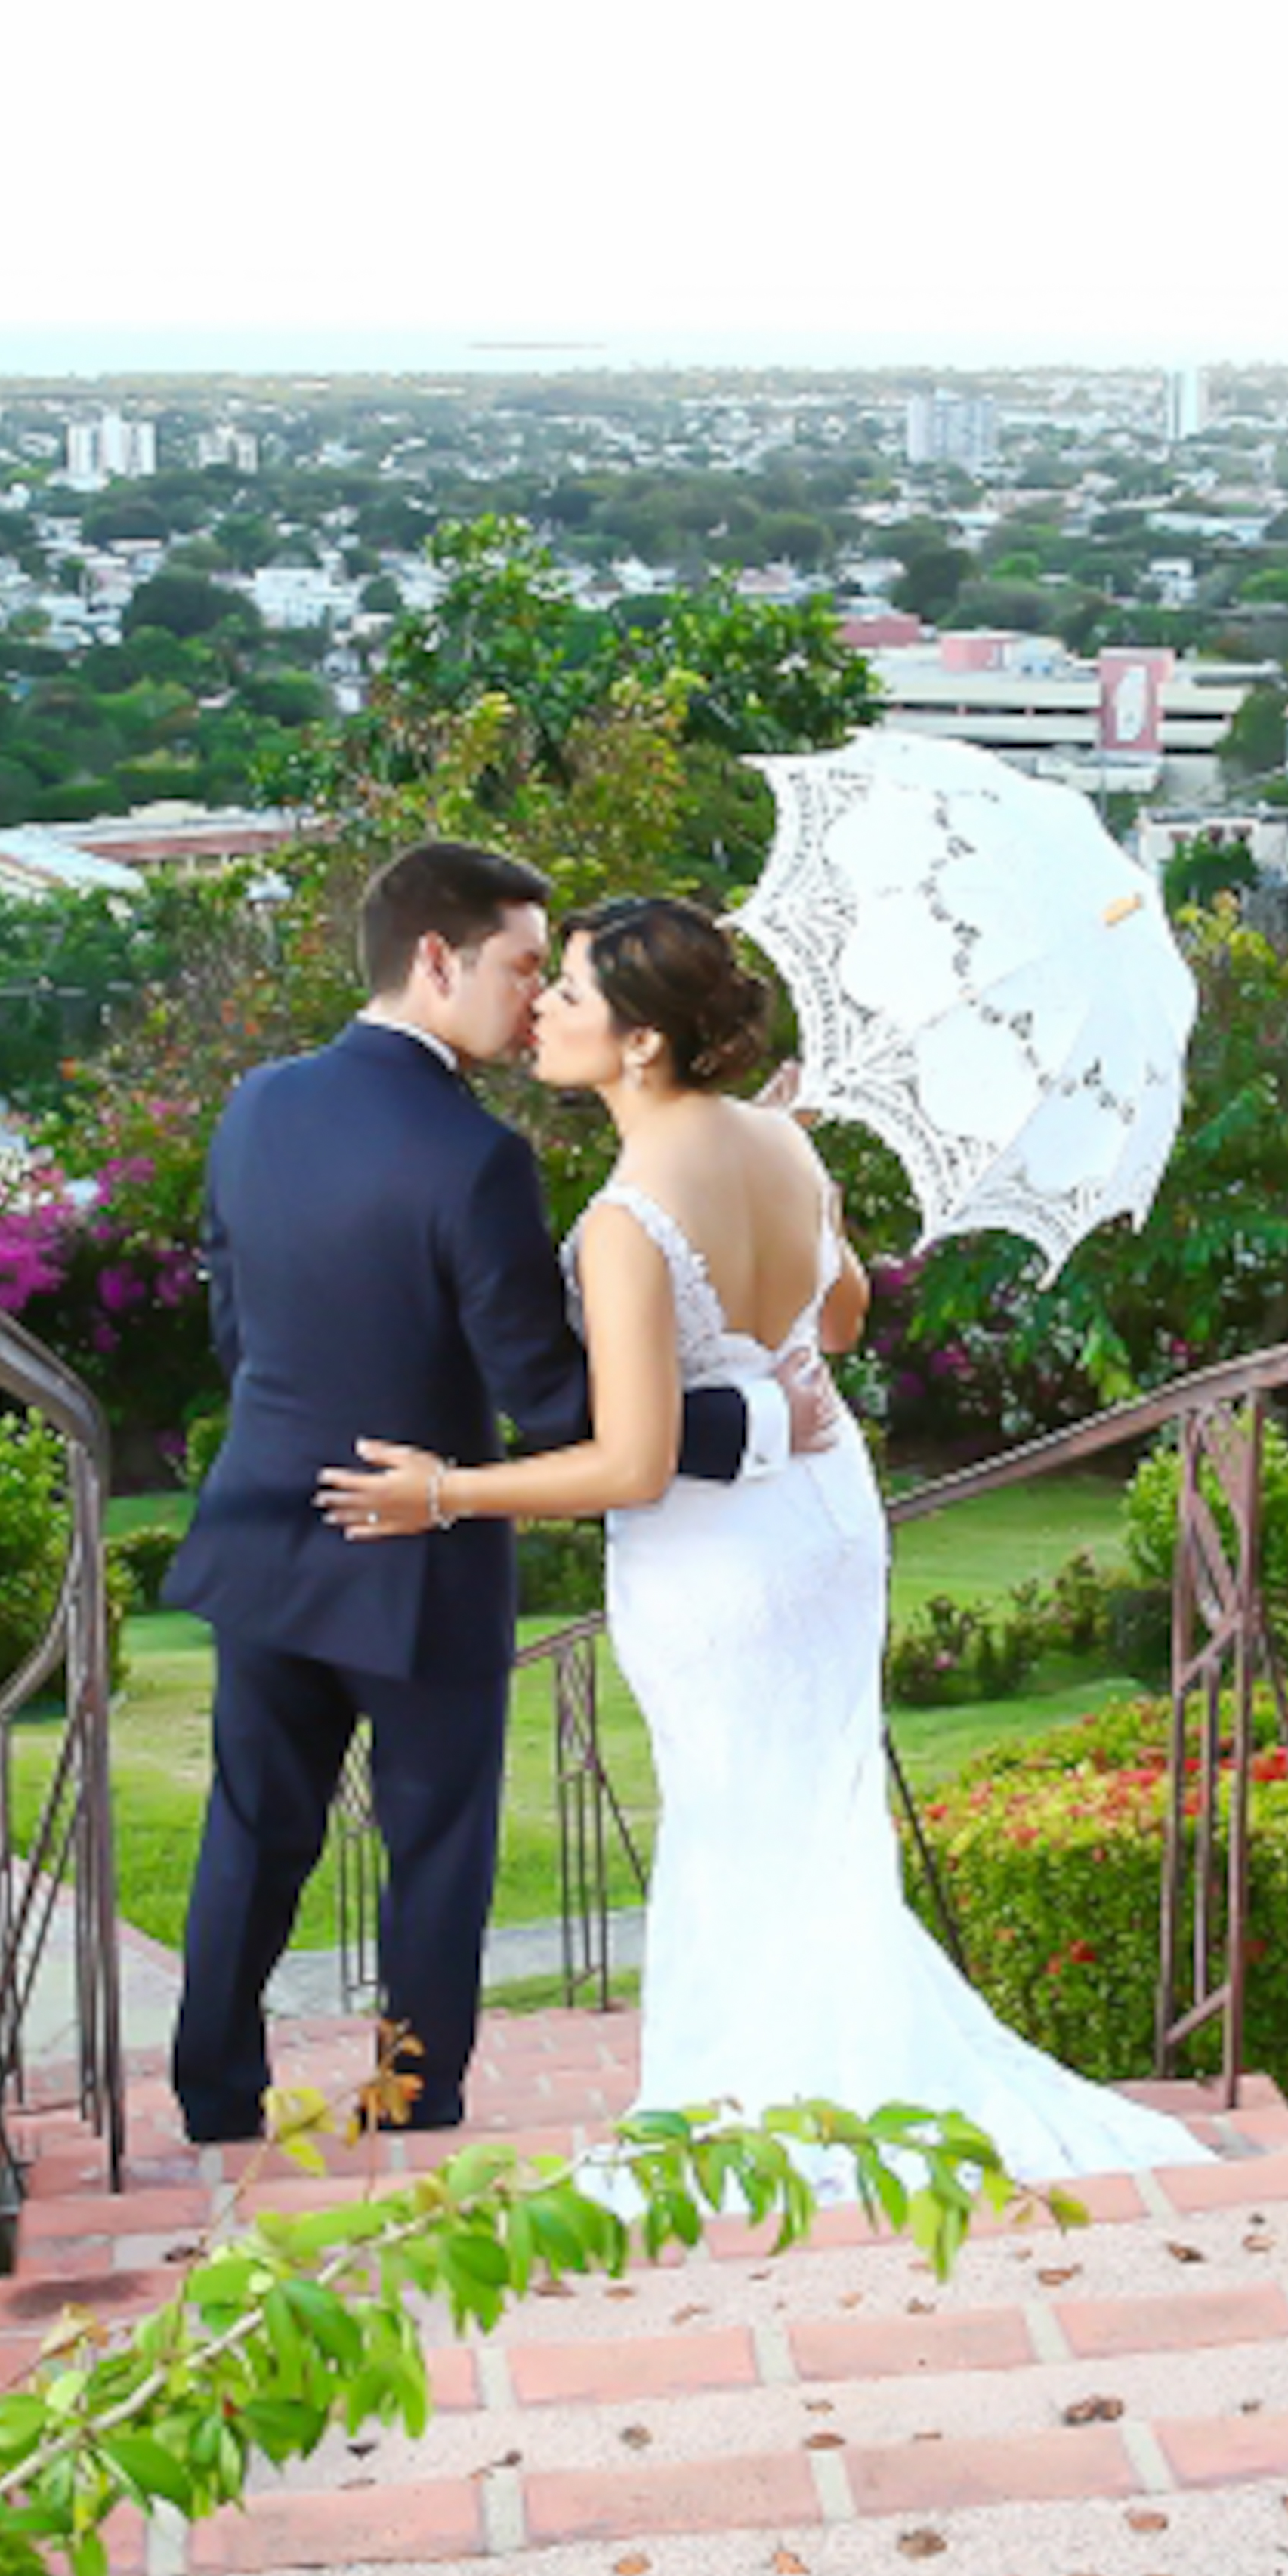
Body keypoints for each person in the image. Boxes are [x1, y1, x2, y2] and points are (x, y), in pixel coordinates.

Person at [315, 897, 1206, 2182]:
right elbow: (837, 1326)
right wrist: (807, 1182)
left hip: (717, 1557)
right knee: (808, 1819)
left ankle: (750, 2107)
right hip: (827, 1522)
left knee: (735, 1820)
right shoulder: (782, 1146)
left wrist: (443, 1493)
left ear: (639, 1044)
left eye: (568, 993)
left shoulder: (625, 1222)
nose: (544, 1013)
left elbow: (629, 1461)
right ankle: (817, 2086)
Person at [162, 844, 823, 2144]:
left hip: (268, 1530)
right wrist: (750, 1418)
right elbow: (563, 1408)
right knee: (438, 1845)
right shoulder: (475, 1159)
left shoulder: (255, 1106)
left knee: (253, 1827)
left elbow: (234, 1329)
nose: (534, 1002)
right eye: (524, 967)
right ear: (434, 961)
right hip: (419, 1555)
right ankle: (410, 2103)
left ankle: (213, 2100)